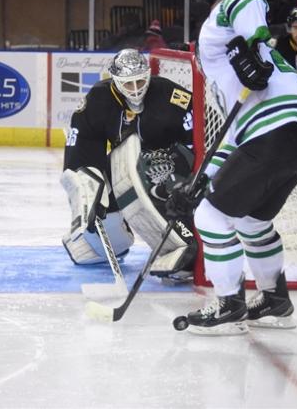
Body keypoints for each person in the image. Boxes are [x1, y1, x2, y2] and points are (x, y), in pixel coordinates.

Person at [168, 0, 297, 335]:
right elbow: (234, 142)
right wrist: (199, 182)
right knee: (252, 221)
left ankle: (229, 303)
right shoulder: (232, 82)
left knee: (209, 214)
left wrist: (256, 38)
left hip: (272, 135)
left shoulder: (212, 40)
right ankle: (274, 299)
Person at [61, 48, 199, 282]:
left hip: (170, 168)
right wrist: (92, 195)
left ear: (148, 75)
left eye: (140, 81)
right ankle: (117, 239)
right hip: (124, 170)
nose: (135, 90)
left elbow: (196, 142)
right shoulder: (98, 100)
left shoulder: (170, 94)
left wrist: (183, 175)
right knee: (93, 246)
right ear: (115, 80)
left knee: (173, 199)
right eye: (128, 84)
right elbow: (81, 153)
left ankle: (182, 242)